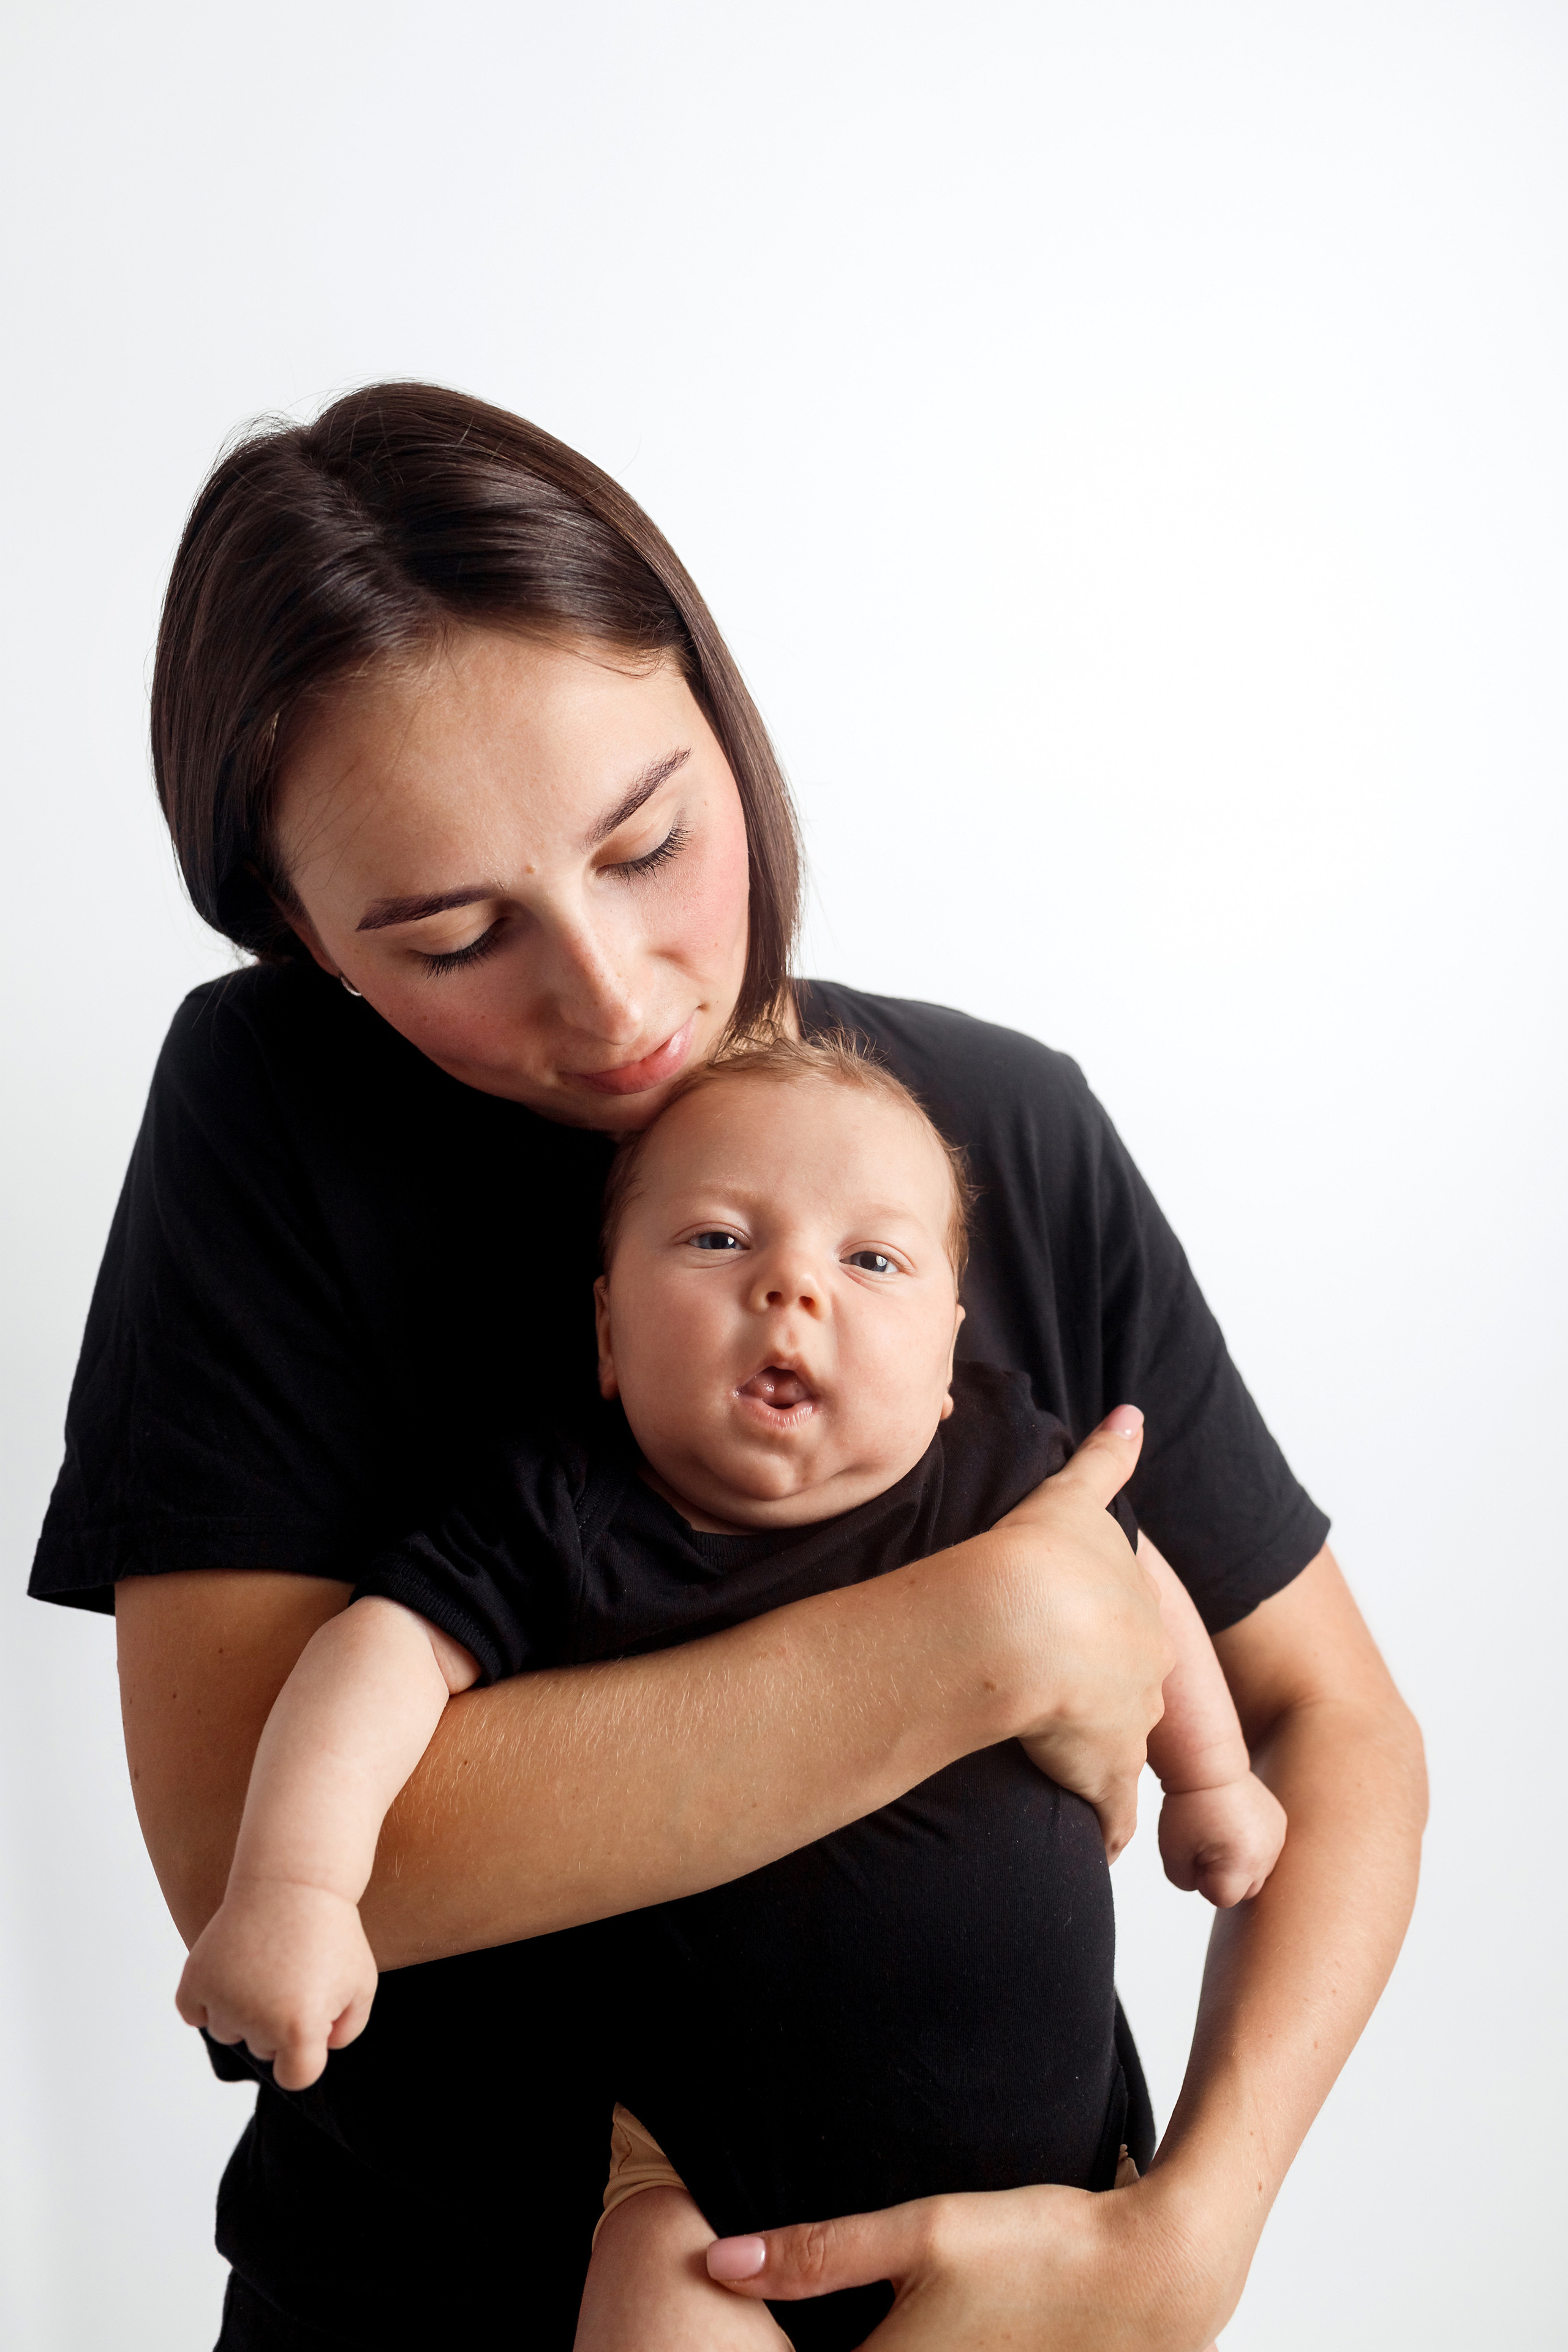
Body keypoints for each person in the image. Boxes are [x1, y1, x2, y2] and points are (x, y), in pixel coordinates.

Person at [29, 381, 1425, 2351]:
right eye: (449, 938)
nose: (612, 999)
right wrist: (988, 1641)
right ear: (303, 939)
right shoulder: (274, 1122)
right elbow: (253, 1855)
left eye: (651, 842)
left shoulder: (998, 1129)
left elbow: (1334, 1730)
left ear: (718, 700)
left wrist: (1192, 2232)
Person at [173, 1036, 1287, 2352]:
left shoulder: (1002, 1468)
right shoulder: (567, 1513)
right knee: (655, 2287)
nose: (790, 1289)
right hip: (706, 2196)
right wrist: (295, 1890)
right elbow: (376, 1657)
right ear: (604, 1328)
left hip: (1044, 2188)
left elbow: (1132, 1580)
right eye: (713, 1241)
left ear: (946, 1357)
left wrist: (1206, 1777)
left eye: (870, 1261)